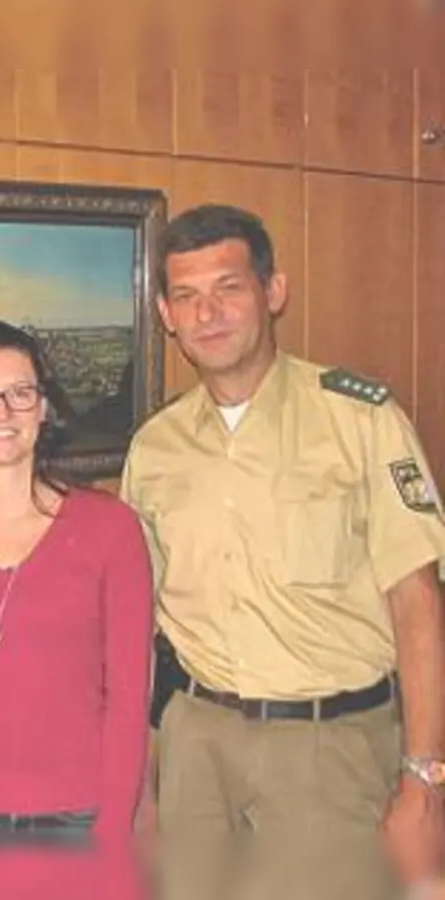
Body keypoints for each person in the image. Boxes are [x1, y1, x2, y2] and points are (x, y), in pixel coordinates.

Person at [121, 204, 445, 900]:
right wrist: (144, 774)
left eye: (229, 287)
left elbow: (417, 601)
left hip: (326, 750)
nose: (208, 313)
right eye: (186, 296)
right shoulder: (155, 448)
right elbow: (142, 625)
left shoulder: (360, 419)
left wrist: (425, 775)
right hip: (195, 749)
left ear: (274, 292)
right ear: (165, 315)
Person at [0, 321, 152, 899]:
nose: (0, 410)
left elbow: (129, 698)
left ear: (44, 407)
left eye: (20, 392)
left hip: (78, 823)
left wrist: (111, 836)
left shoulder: (109, 528)